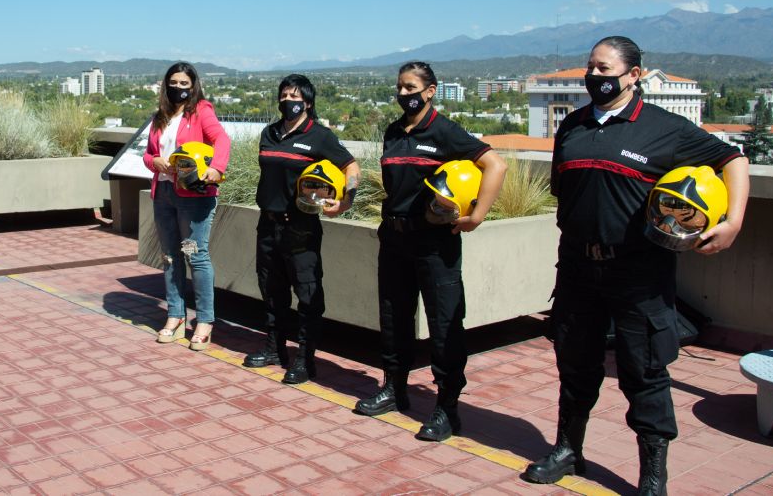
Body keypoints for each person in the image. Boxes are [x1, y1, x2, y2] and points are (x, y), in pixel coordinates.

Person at [520, 36, 749, 494]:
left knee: (643, 371)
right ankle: (568, 448)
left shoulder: (664, 128)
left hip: (638, 273)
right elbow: (562, 191)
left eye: (605, 69)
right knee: (574, 363)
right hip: (578, 269)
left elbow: (732, 159)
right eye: (591, 68)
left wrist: (733, 222)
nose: (595, 77)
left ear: (633, 75)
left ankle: (652, 475)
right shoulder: (573, 126)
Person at [354, 61, 508, 442]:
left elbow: (496, 165)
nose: (404, 94)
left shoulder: (444, 131)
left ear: (430, 90)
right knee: (394, 319)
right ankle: (395, 388)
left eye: (411, 87)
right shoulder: (393, 131)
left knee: (443, 327)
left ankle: (447, 407)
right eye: (399, 87)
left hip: (434, 245)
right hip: (394, 239)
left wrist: (476, 217)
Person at [242, 74, 360, 384]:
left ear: (307, 102)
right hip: (267, 224)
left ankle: (305, 360)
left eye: (294, 96)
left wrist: (346, 201)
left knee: (307, 297)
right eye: (283, 95)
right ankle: (274, 349)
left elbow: (351, 168)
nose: (287, 101)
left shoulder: (320, 136)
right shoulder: (269, 133)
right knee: (271, 291)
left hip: (300, 227)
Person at [142, 62, 231, 351]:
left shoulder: (201, 111)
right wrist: (153, 162)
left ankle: (204, 321)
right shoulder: (161, 116)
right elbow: (149, 154)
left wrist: (217, 168)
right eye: (174, 82)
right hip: (164, 194)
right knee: (170, 255)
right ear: (166, 84)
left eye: (184, 83)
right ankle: (175, 316)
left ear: (193, 86)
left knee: (193, 254)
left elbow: (221, 139)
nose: (178, 87)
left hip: (192, 198)